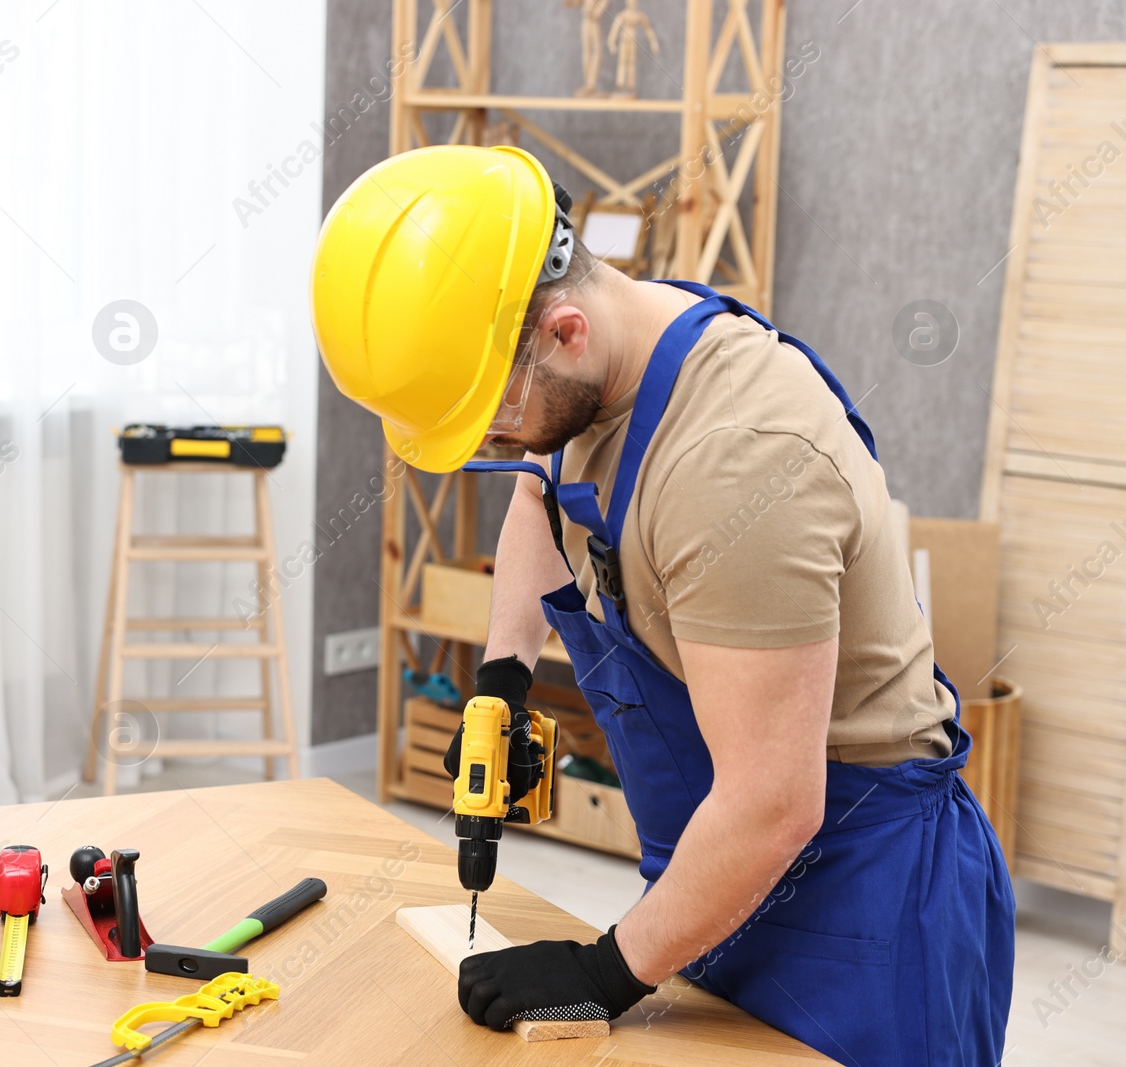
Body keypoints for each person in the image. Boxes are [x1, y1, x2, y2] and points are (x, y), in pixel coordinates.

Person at [310, 144, 1014, 1067]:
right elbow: (540, 486)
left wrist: (604, 971)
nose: (493, 440)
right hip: (716, 881)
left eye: (490, 413)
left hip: (860, 905)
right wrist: (501, 683)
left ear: (563, 331)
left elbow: (772, 801)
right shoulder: (616, 345)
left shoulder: (736, 461)